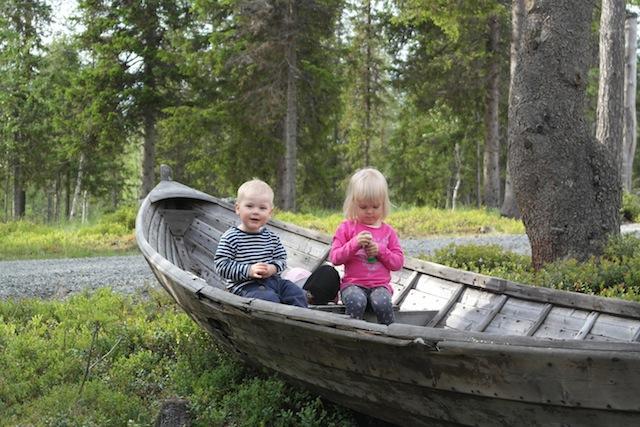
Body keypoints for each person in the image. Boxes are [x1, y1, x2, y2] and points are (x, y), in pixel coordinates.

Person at [214, 179, 308, 307]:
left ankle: (300, 322)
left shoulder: (271, 237)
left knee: (296, 293)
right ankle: (273, 323)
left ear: (269, 213)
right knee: (267, 299)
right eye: (249, 206)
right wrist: (249, 270)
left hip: (273, 281)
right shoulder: (231, 237)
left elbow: (281, 260)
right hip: (244, 285)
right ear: (237, 208)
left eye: (262, 208)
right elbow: (221, 266)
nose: (256, 211)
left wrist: (272, 268)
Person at [329, 168, 404, 324]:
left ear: (383, 204)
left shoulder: (388, 232)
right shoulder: (347, 228)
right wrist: (354, 243)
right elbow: (335, 258)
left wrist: (380, 251)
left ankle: (389, 337)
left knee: (383, 303)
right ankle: (352, 336)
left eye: (375, 207)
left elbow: (398, 263)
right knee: (357, 301)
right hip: (353, 285)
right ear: (353, 204)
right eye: (363, 207)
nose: (370, 211)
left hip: (380, 286)